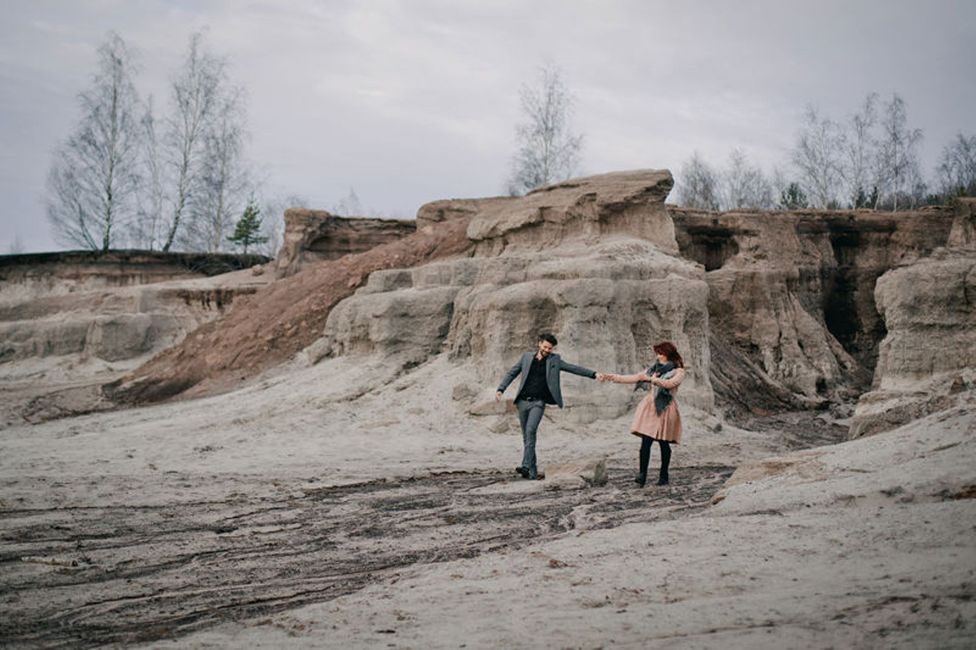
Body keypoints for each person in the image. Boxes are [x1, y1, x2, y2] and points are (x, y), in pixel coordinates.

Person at [495, 333, 603, 480]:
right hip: (522, 402)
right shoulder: (526, 357)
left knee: (531, 430)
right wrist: (501, 389)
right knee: (527, 437)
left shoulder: (555, 360)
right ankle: (532, 473)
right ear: (539, 344)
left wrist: (594, 374)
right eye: (545, 347)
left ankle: (525, 465)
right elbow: (512, 372)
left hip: (538, 403)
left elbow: (573, 368)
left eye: (550, 348)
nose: (547, 350)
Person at [603, 342, 686, 487]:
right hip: (650, 407)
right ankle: (642, 475)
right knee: (645, 442)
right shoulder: (653, 369)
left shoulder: (678, 371)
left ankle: (664, 475)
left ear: (668, 354)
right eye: (657, 353)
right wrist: (610, 377)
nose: (657, 356)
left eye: (660, 353)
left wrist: (652, 379)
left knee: (664, 443)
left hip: (666, 408)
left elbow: (670, 384)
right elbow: (633, 377)